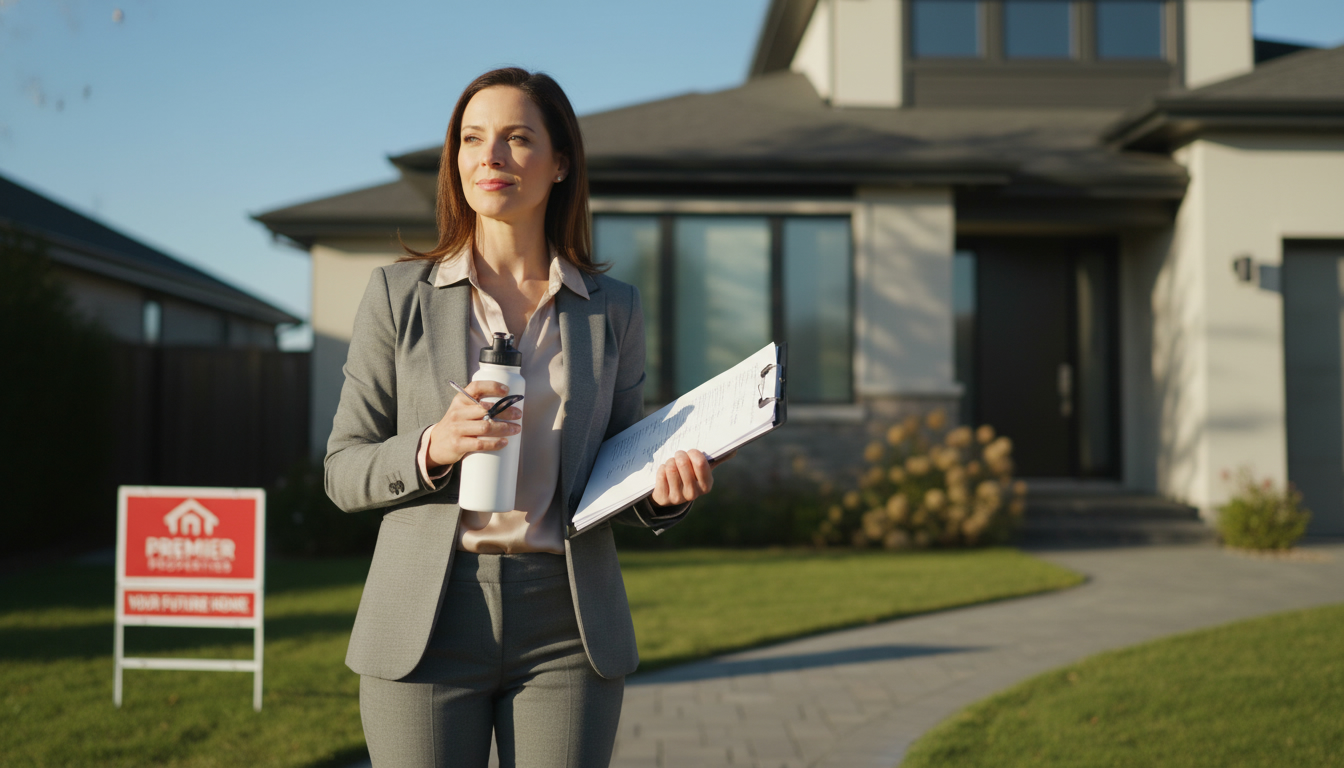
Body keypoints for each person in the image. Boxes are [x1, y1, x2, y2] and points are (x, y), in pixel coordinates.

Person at [324, 67, 722, 768]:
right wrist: (432, 448)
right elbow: (342, 469)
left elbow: (617, 467)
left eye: (516, 139)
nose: (490, 157)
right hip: (427, 616)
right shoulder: (397, 296)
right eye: (473, 139)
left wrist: (663, 494)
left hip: (567, 624)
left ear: (560, 162)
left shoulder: (612, 308)